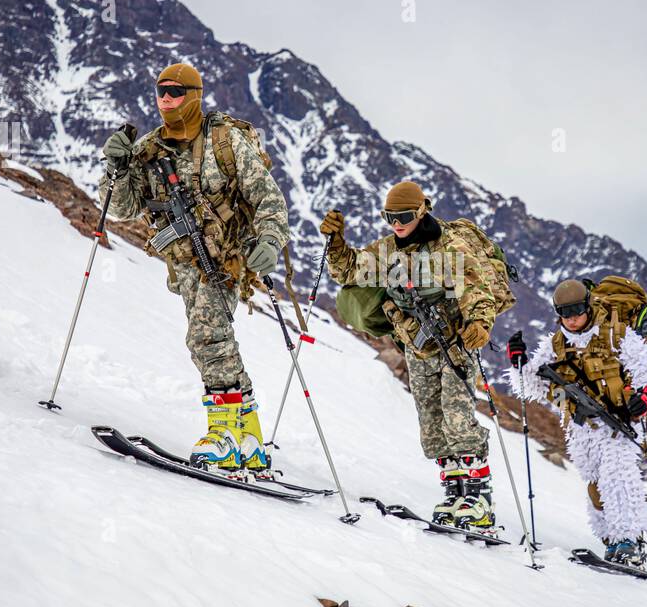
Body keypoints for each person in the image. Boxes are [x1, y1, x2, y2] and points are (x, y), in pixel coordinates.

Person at [99, 63, 289, 474]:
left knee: (206, 337)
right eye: (160, 91)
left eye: (175, 92)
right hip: (182, 262)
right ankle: (251, 436)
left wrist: (271, 240)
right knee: (215, 341)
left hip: (226, 257)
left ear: (194, 95)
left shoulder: (225, 141)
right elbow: (121, 208)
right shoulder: (149, 149)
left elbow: (268, 198)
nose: (165, 99)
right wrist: (116, 168)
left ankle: (222, 435)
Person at [321, 183, 504, 530]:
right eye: (389, 217)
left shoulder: (449, 246)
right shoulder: (388, 251)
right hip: (417, 347)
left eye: (403, 216)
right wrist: (336, 245)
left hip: (454, 344)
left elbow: (477, 289)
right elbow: (349, 272)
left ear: (422, 211)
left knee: (457, 416)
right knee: (432, 424)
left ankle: (479, 499)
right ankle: (455, 494)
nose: (397, 224)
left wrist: (480, 324)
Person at [507, 278, 647, 564]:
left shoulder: (616, 334)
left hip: (619, 422)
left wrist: (646, 395)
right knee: (595, 486)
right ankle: (611, 540)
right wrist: (519, 364)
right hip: (580, 426)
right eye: (565, 313)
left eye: (577, 310)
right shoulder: (556, 344)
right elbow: (535, 387)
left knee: (619, 478)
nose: (572, 319)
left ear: (589, 306)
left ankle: (631, 540)